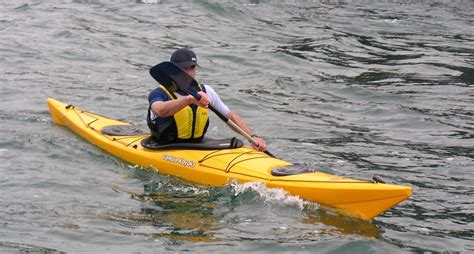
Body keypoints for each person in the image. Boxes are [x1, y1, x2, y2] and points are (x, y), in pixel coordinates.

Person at [147, 48, 266, 151]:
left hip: (198, 146)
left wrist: (252, 137)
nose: (189, 73)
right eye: (184, 68)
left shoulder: (206, 91)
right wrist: (189, 100)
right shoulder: (159, 93)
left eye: (192, 67)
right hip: (165, 146)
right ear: (173, 71)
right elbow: (160, 110)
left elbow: (230, 117)